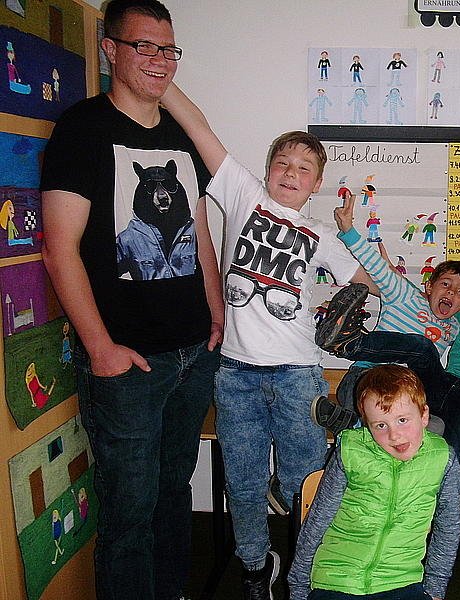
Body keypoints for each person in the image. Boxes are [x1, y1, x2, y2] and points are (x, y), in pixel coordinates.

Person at [159, 84, 377, 599]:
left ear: (316, 183)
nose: (290, 173)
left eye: (304, 168)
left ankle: (306, 568)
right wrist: (161, 78)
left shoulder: (319, 233)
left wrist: (344, 314)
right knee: (243, 481)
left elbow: (366, 285)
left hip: (299, 374)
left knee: (306, 479)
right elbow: (200, 130)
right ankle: (256, 568)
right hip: (236, 374)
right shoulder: (244, 194)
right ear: (267, 168)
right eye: (283, 163)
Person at [39, 2, 223, 599]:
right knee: (128, 511)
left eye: (168, 49)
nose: (159, 60)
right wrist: (100, 349)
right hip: (128, 363)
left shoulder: (181, 137)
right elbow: (59, 248)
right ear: (110, 49)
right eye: (144, 46)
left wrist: (216, 314)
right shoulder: (83, 130)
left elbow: (199, 234)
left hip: (194, 352)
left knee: (174, 493)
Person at [314, 265, 460, 475]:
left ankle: (355, 426)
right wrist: (391, 273)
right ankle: (349, 343)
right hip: (441, 384)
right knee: (423, 348)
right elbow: (419, 298)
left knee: (451, 454)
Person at [287, 364, 460, 600]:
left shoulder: (443, 460)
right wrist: (299, 585)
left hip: (401, 580)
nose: (394, 435)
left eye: (402, 420)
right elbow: (318, 519)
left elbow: (448, 528)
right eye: (381, 425)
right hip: (337, 577)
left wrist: (435, 588)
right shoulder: (350, 453)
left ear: (424, 415)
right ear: (367, 424)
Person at [316, 191, 460, 417]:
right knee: (421, 348)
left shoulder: (456, 327)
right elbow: (377, 266)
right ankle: (350, 344)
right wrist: (348, 230)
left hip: (406, 391)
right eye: (446, 284)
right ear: (429, 287)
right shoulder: (405, 294)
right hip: (367, 377)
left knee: (430, 421)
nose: (451, 291)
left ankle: (350, 424)